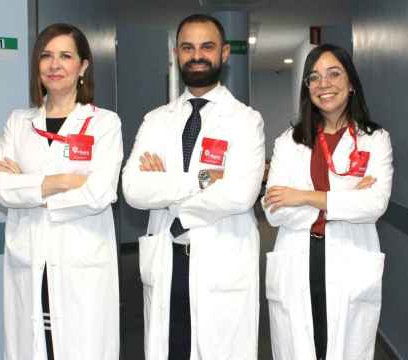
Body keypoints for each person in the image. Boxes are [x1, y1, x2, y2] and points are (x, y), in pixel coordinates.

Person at [122, 14, 265, 360]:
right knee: (171, 349)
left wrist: (166, 181)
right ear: (176, 53)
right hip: (167, 258)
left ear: (224, 53)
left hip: (222, 257)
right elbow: (133, 189)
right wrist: (206, 180)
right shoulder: (156, 120)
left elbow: (241, 193)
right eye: (188, 47)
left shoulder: (246, 120)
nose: (196, 55)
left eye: (207, 47)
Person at [0, 23, 122, 360]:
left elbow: (99, 194)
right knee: (32, 346)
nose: (54, 65)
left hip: (80, 263)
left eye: (65, 56)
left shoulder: (104, 123)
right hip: (29, 259)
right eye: (46, 56)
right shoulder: (19, 122)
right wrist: (58, 182)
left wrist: (27, 185)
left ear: (83, 67)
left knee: (80, 347)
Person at [263, 44, 393, 360]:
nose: (324, 85)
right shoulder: (287, 142)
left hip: (349, 259)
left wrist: (303, 196)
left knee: (344, 348)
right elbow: (274, 211)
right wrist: (347, 196)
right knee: (300, 347)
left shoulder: (375, 139)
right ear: (307, 89)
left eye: (334, 74)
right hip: (298, 258)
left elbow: (374, 205)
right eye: (314, 77)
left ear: (351, 84)